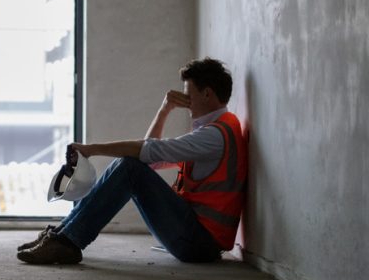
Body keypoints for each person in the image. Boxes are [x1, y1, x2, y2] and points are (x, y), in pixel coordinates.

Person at [17, 57, 247, 264]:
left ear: (207, 94)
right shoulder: (218, 128)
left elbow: (147, 151)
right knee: (132, 165)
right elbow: (151, 157)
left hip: (199, 243)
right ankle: (62, 235)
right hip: (195, 236)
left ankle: (67, 242)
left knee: (129, 168)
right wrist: (164, 110)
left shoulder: (214, 136)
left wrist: (92, 149)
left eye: (188, 94)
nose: (185, 100)